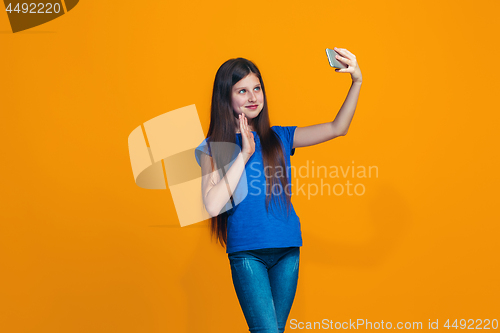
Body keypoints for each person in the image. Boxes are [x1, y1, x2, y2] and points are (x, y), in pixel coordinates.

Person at [195, 48, 362, 333]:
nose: (253, 97)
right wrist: (244, 154)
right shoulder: (213, 148)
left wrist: (356, 81)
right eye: (242, 91)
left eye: (257, 88)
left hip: (288, 250)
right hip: (248, 253)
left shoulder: (281, 137)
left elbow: (338, 127)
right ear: (226, 97)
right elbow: (212, 206)